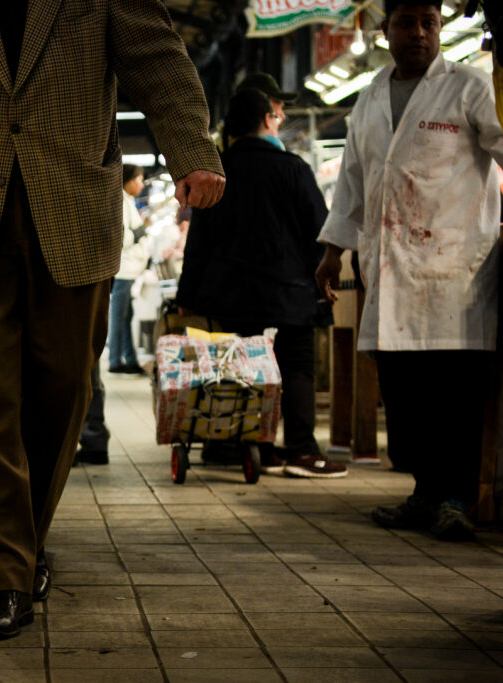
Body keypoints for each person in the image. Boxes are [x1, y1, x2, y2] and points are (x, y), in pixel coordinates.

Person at [0, 1, 225, 641]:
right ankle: (3, 576)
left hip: (72, 200)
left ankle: (18, 536)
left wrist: (192, 148)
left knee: (64, 389)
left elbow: (157, 55)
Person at [315, 0, 503, 540]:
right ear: (384, 29)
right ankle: (424, 492)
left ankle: (454, 499)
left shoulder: (470, 86)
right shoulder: (370, 96)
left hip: (457, 271)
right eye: (407, 22)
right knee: (404, 392)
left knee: (455, 393)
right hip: (390, 270)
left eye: (430, 23)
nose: (420, 33)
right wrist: (334, 250)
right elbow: (352, 178)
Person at [178, 88, 346, 479]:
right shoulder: (294, 169)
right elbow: (319, 231)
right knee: (297, 367)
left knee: (241, 369)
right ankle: (302, 451)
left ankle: (256, 446)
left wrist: (189, 293)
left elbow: (199, 241)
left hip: (231, 295)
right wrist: (319, 278)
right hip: (290, 292)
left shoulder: (217, 172)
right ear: (267, 119)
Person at [109, 165, 150, 374]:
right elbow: (120, 238)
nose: (141, 185)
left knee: (126, 316)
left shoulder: (129, 202)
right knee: (118, 317)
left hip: (130, 270)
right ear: (130, 180)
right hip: (124, 270)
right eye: (140, 180)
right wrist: (139, 233)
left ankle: (129, 358)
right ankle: (115, 360)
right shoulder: (121, 203)